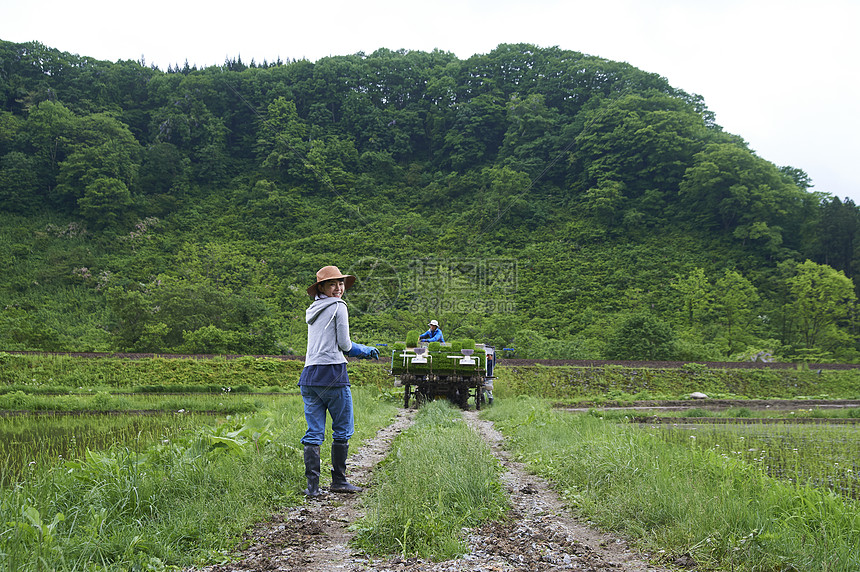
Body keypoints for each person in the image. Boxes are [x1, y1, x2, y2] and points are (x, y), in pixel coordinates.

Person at [299, 265, 379, 497]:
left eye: (341, 283)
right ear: (321, 287)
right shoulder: (338, 307)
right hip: (333, 375)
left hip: (309, 376)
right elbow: (345, 345)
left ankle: (312, 488)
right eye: (332, 284)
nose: (338, 288)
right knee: (342, 430)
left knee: (314, 432)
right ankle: (339, 481)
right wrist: (364, 350)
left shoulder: (313, 308)